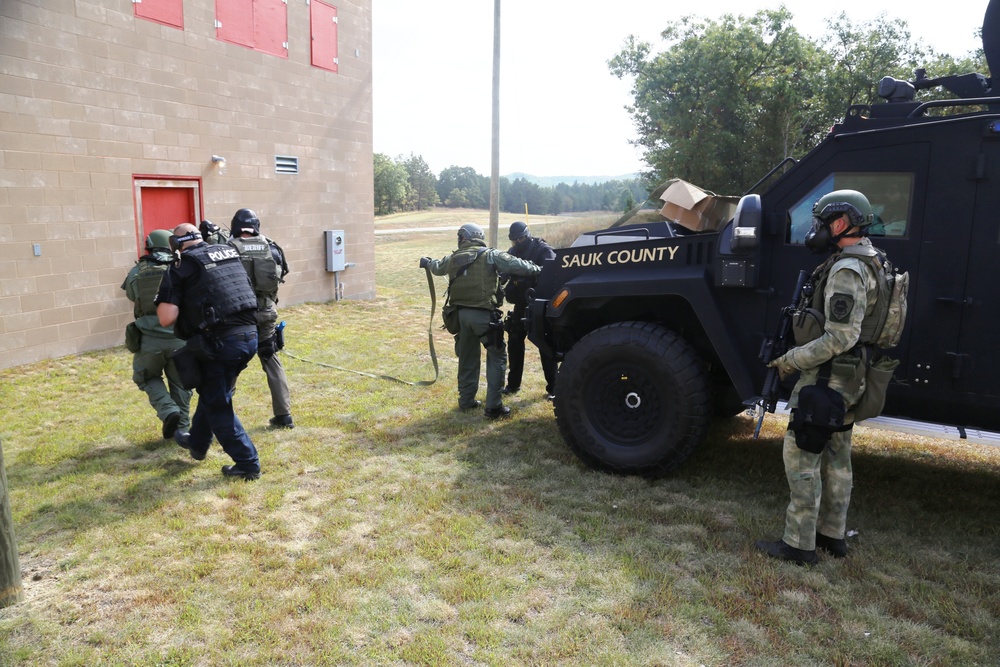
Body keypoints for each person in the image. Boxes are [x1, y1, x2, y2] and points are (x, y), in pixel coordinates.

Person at [755, 190, 892, 565]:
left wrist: (789, 360)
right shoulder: (874, 259)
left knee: (802, 457)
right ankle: (832, 536)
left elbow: (840, 336)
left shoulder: (847, 269)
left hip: (827, 380)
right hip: (851, 378)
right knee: (837, 457)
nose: (815, 230)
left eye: (820, 222)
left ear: (840, 223)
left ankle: (799, 545)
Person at [154, 222, 262, 481]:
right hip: (249, 337)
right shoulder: (227, 252)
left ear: (176, 244)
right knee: (213, 390)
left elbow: (166, 318)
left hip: (220, 344)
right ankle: (198, 443)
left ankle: (248, 464)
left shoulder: (182, 265)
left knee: (218, 405)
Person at [420, 223, 542, 418]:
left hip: (460, 317)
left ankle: (466, 401)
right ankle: (494, 406)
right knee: (496, 356)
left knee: (467, 358)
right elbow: (518, 265)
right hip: (484, 317)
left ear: (464, 238)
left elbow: (436, 267)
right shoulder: (490, 255)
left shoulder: (452, 258)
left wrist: (427, 262)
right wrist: (539, 269)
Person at [121, 229, 192, 439]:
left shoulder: (137, 271)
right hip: (180, 337)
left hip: (150, 341)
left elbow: (132, 296)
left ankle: (168, 410)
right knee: (181, 384)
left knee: (146, 377)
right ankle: (182, 430)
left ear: (149, 246)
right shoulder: (182, 267)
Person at [227, 208, 294, 428]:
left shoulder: (228, 249)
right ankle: (284, 415)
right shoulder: (272, 247)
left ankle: (221, 414)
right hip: (266, 312)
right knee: (270, 358)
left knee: (230, 364)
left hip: (239, 317)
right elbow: (282, 273)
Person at [501, 221, 557, 398]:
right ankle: (513, 385)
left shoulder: (542, 250)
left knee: (545, 344)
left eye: (520, 238)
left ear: (528, 234)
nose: (518, 242)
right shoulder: (512, 252)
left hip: (541, 303)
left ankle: (554, 387)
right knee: (515, 341)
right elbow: (503, 274)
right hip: (520, 303)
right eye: (514, 240)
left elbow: (553, 275)